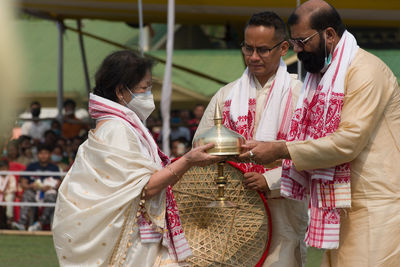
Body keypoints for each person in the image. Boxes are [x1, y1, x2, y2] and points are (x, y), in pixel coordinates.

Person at [239, 1, 400, 266]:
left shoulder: (366, 72)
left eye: (303, 41)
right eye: (295, 42)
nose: (298, 50)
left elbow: (348, 141)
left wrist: (282, 149)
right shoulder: (323, 77)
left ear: (329, 35)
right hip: (340, 203)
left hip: (375, 205)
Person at [52, 50, 222, 267]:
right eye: (144, 88)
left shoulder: (123, 126)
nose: (149, 94)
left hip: (139, 234)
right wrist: (187, 160)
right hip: (133, 241)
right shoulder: (117, 130)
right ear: (121, 91)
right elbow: (146, 188)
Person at [195, 11, 308, 267]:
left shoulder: (299, 95)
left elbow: (311, 152)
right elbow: (199, 148)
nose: (253, 57)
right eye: (248, 48)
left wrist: (268, 180)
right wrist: (232, 175)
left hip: (282, 208)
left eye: (263, 50)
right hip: (232, 209)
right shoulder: (226, 95)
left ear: (283, 48)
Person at [12, 144, 61, 231]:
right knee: (27, 195)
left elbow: (59, 184)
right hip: (33, 190)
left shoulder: (54, 168)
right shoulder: (31, 166)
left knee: (52, 197)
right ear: (37, 155)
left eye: (46, 153)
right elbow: (23, 183)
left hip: (48, 191)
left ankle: (40, 224)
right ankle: (21, 224)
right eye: (41, 153)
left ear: (49, 155)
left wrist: (50, 187)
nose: (43, 155)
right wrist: (30, 186)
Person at [0, 159, 17, 228]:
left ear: (8, 169)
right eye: (2, 169)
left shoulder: (11, 177)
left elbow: (13, 188)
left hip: (8, 194)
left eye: (5, 168)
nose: (4, 170)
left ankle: (9, 218)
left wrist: (5, 192)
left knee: (9, 198)